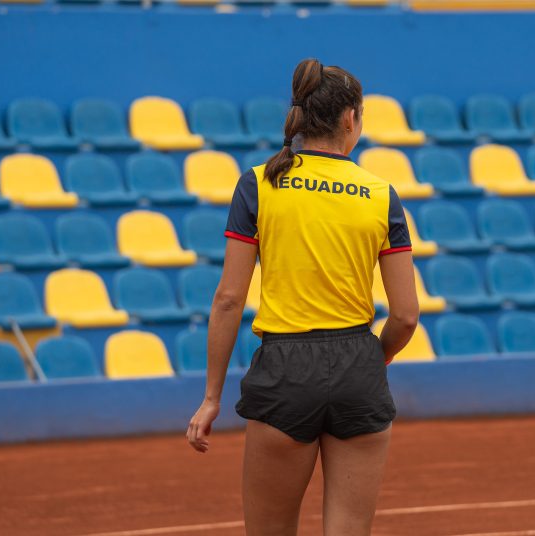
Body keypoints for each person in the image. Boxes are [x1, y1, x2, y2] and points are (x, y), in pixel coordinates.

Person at [187, 58, 419, 536]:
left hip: (285, 369)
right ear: (350, 118)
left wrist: (211, 398)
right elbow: (405, 316)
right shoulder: (382, 194)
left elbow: (228, 299)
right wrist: (374, 358)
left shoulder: (259, 183)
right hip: (358, 364)